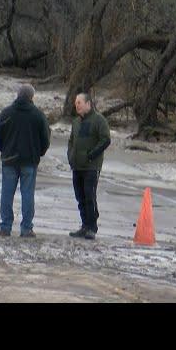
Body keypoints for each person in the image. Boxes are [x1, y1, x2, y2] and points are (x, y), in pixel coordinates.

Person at [0, 84, 51, 237]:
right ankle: (26, 228)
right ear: (32, 97)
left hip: (9, 160)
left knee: (7, 193)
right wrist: (39, 153)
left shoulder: (6, 113)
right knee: (27, 194)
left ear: (17, 95)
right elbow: (45, 138)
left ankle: (5, 227)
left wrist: (4, 150)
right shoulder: (38, 115)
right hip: (29, 161)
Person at [67, 93, 111, 240]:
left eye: (79, 102)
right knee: (80, 196)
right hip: (77, 166)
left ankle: (92, 227)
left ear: (88, 103)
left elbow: (105, 140)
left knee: (89, 196)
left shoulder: (99, 120)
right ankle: (84, 225)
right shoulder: (76, 122)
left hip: (92, 166)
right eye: (75, 103)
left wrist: (91, 155)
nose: (77, 105)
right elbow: (71, 141)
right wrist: (70, 156)